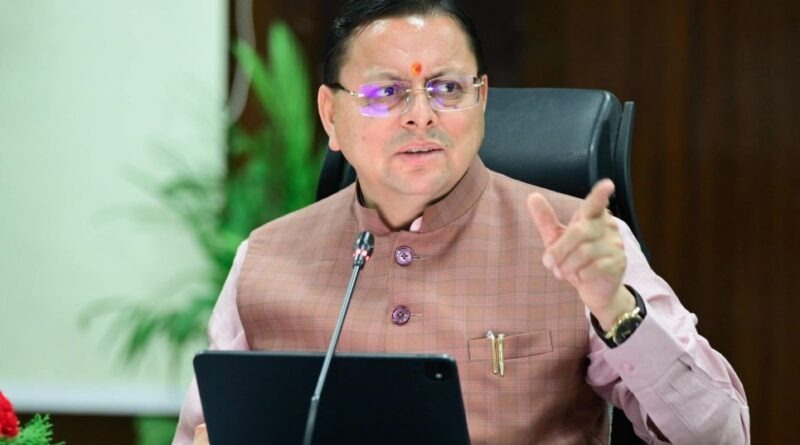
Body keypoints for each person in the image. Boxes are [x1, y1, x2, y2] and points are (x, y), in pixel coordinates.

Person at [174, 0, 750, 443]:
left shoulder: (579, 244)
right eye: (386, 92)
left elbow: (722, 434)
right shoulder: (266, 258)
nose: (421, 116)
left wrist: (616, 309)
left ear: (482, 99)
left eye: (446, 88)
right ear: (331, 115)